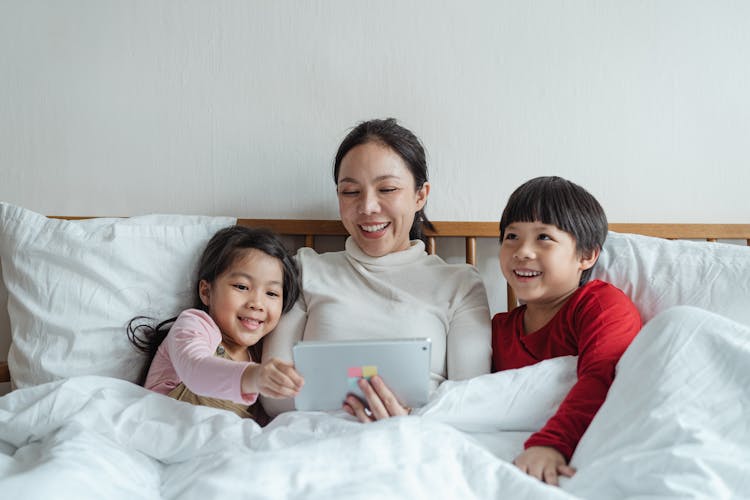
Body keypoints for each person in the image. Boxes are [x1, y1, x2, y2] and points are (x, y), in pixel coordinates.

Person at [262, 118, 493, 421]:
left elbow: (471, 398)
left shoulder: (459, 283)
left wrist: (410, 416)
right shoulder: (304, 270)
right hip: (313, 436)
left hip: (418, 438)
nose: (368, 206)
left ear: (420, 195)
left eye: (387, 188)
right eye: (350, 192)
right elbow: (272, 397)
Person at [492, 176, 641, 486]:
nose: (522, 251)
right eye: (512, 236)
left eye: (543, 237)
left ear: (586, 256)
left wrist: (550, 444)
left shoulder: (599, 305)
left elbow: (601, 376)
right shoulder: (498, 329)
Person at [128, 225, 304, 424]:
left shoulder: (259, 355)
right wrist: (255, 376)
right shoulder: (194, 325)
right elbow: (196, 368)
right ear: (206, 292)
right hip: (164, 435)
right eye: (242, 287)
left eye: (271, 293)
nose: (257, 303)